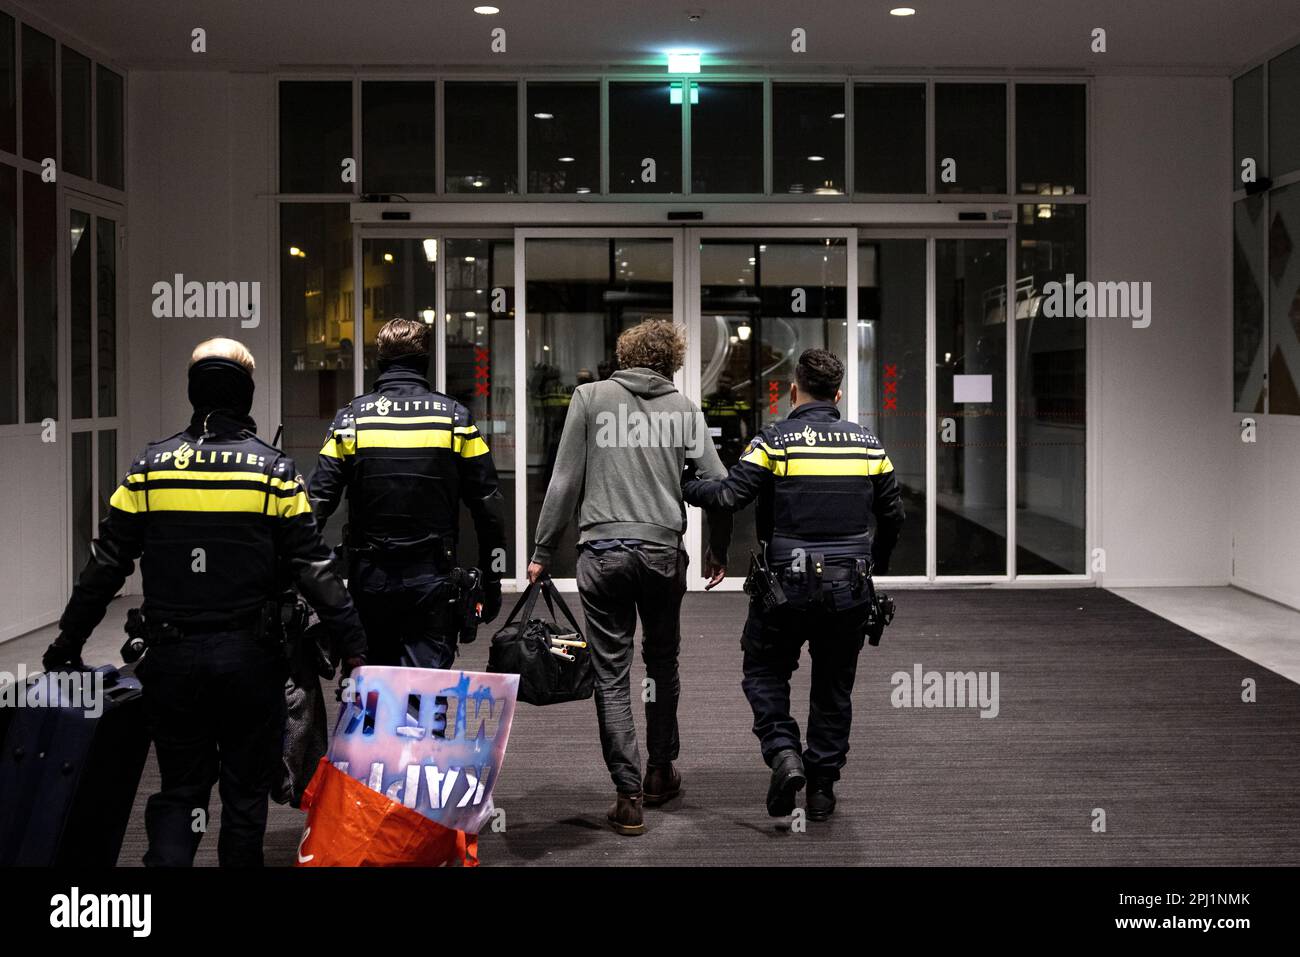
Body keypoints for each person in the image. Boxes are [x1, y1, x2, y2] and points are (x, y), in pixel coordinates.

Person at [43, 337, 368, 867]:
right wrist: (353, 643)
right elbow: (314, 568)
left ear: (194, 393)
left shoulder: (149, 468)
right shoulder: (274, 472)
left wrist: (67, 642)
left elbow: (105, 566)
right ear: (246, 395)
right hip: (250, 661)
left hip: (169, 661)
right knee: (244, 796)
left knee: (180, 791)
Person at [527, 318, 732, 836]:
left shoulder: (590, 398)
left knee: (613, 673)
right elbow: (719, 482)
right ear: (672, 361)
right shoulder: (684, 409)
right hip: (664, 553)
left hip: (604, 553)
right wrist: (716, 549)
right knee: (662, 663)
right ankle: (661, 772)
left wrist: (542, 549)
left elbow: (565, 478)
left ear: (625, 354)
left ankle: (628, 795)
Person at [682, 349, 904, 822]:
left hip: (784, 588)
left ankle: (784, 754)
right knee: (833, 686)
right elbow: (893, 514)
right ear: (838, 395)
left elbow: (728, 495)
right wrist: (874, 563)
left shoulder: (776, 441)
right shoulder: (868, 445)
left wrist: (683, 483)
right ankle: (821, 788)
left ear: (793, 391)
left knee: (764, 671)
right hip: (849, 588)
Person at [308, 318, 506, 668]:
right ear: (424, 360)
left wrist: (308, 582)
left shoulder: (351, 419)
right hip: (433, 580)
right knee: (426, 702)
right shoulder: (455, 420)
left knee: (371, 696)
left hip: (370, 582)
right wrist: (493, 580)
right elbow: (489, 508)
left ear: (380, 361)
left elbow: (314, 508)